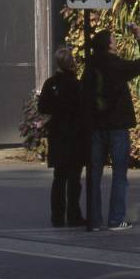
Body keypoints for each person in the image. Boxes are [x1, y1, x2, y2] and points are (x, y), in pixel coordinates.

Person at [83, 26, 140, 232]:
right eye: (113, 39)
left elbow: (84, 97)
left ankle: (94, 220)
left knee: (94, 174)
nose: (116, 41)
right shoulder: (117, 66)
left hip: (96, 127)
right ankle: (116, 219)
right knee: (119, 175)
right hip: (118, 126)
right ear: (110, 46)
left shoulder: (90, 67)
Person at [35, 45, 89, 228]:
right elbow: (83, 109)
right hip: (75, 134)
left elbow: (42, 107)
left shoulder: (51, 84)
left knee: (59, 178)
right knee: (74, 179)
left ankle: (57, 216)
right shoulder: (76, 84)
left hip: (57, 134)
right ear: (71, 62)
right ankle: (74, 215)